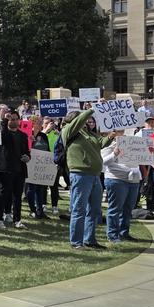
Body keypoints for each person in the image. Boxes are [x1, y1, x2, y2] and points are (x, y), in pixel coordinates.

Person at [61, 107, 115, 250]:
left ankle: (89, 239)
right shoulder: (68, 131)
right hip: (80, 175)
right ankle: (76, 242)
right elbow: (80, 120)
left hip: (95, 176)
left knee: (94, 210)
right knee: (79, 209)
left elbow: (101, 143)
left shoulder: (88, 134)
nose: (87, 122)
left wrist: (111, 136)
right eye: (83, 119)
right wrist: (92, 109)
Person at [0, 111, 30, 229]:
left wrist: (27, 157)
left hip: (19, 169)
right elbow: (2, 136)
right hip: (6, 168)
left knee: (17, 196)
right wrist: (4, 120)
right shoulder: (4, 133)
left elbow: (26, 151)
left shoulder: (23, 135)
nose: (13, 121)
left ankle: (17, 220)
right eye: (11, 119)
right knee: (3, 194)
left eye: (15, 119)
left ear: (19, 120)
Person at [101, 137, 142, 243]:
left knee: (128, 209)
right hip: (116, 179)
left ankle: (124, 233)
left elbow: (143, 158)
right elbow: (103, 162)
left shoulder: (134, 142)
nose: (121, 131)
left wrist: (150, 154)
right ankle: (113, 235)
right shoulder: (108, 144)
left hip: (133, 180)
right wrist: (114, 153)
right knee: (115, 209)